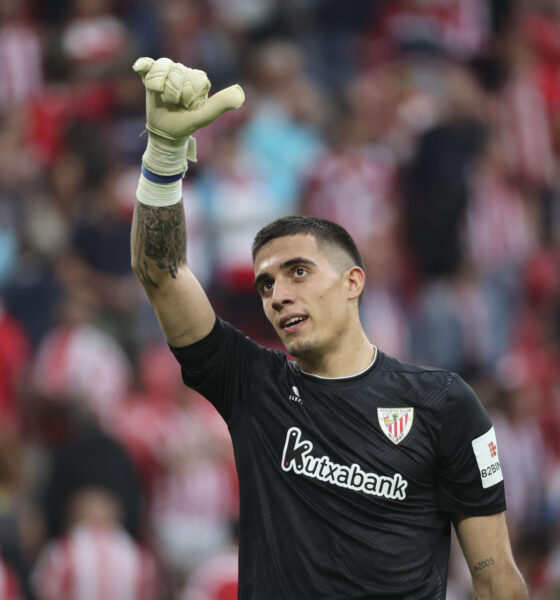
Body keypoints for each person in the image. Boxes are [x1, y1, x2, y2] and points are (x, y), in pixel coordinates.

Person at [130, 57, 529, 599]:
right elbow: (162, 273)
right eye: (265, 285)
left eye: (298, 271)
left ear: (353, 282)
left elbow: (495, 576)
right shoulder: (253, 386)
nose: (279, 294)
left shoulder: (443, 404)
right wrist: (164, 159)